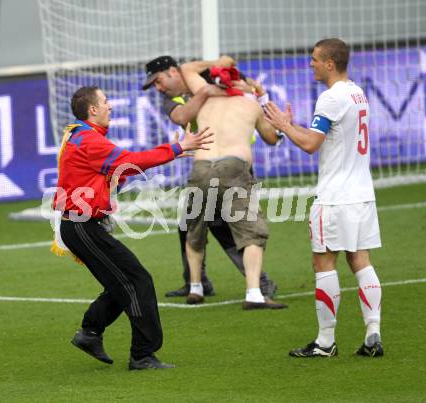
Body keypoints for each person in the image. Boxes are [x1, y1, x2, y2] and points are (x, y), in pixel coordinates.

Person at [53, 86, 213, 370]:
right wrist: (176, 148)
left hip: (81, 226)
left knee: (122, 282)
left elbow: (117, 172)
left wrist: (172, 154)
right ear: (92, 110)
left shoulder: (83, 137)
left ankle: (90, 333)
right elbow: (129, 162)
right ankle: (142, 355)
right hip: (82, 227)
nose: (110, 106)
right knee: (137, 281)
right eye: (105, 101)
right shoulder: (89, 140)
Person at [264, 38, 383, 357]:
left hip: (334, 198)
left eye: (315, 59)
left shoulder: (331, 98)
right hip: (362, 194)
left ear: (330, 63)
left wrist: (285, 127)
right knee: (361, 261)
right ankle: (373, 333)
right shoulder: (357, 93)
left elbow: (311, 144)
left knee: (324, 263)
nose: (311, 63)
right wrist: (292, 126)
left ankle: (325, 342)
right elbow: (327, 137)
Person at [142, 55, 278, 300]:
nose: (158, 88)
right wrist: (205, 93)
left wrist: (238, 84)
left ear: (174, 71)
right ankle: (198, 282)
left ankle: (255, 283)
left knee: (221, 224)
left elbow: (244, 82)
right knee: (189, 224)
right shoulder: (177, 97)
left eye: (158, 81)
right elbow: (182, 116)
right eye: (154, 85)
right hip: (206, 162)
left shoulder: (209, 78)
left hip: (234, 162)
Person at [179, 59, 288, 310]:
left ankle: (195, 287)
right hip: (234, 167)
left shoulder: (203, 96)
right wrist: (262, 98)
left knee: (195, 228)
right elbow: (271, 138)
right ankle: (253, 293)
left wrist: (219, 61)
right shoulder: (250, 104)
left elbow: (187, 69)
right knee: (252, 233)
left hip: (202, 166)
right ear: (240, 81)